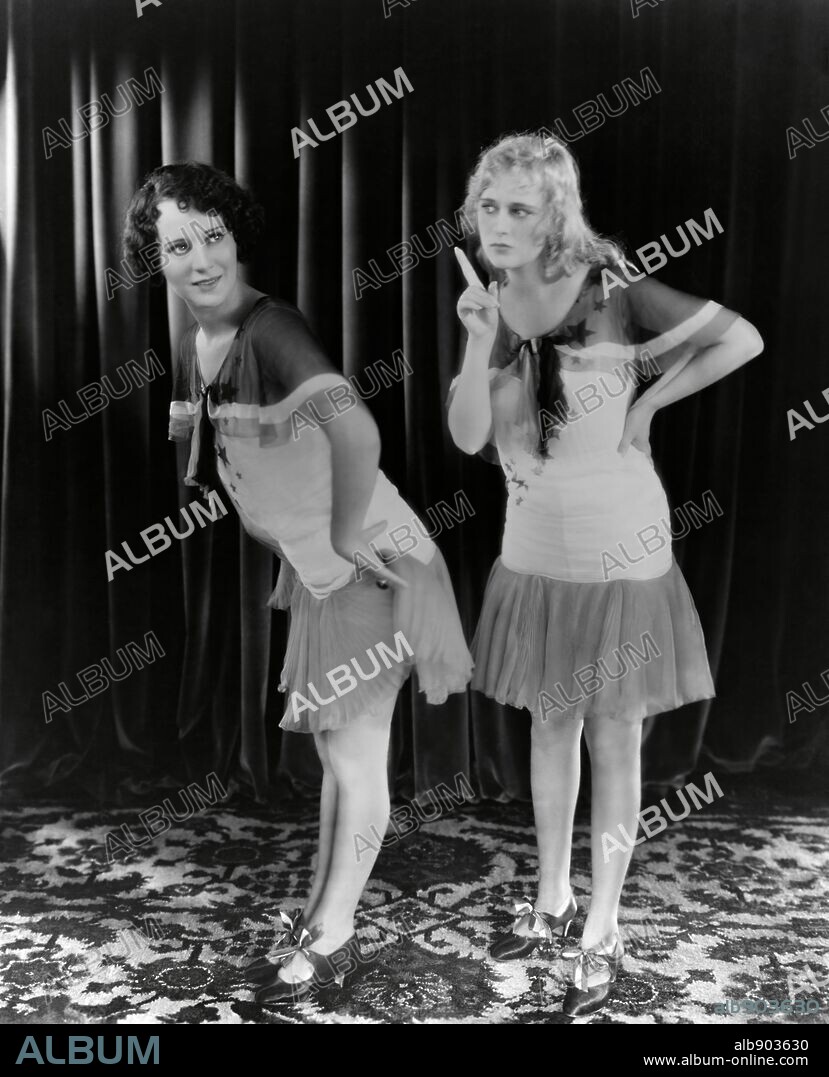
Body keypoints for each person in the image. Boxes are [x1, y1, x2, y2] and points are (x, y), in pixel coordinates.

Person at [122, 162, 473, 1005]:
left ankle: (336, 935)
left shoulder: (271, 329)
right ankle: (323, 915)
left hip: (379, 566)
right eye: (177, 245)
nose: (200, 258)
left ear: (236, 235)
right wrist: (229, 489)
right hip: (321, 574)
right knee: (333, 755)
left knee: (354, 765)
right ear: (155, 259)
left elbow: (354, 428)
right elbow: (194, 429)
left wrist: (343, 535)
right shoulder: (194, 336)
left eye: (213, 236)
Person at [447, 133, 762, 1016]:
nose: (498, 223)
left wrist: (650, 404)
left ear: (554, 213)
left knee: (613, 737)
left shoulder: (612, 285)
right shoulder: (494, 296)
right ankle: (550, 900)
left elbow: (740, 338)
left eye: (517, 208)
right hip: (534, 548)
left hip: (622, 547)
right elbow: (470, 435)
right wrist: (476, 343)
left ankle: (604, 924)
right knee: (550, 726)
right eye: (488, 207)